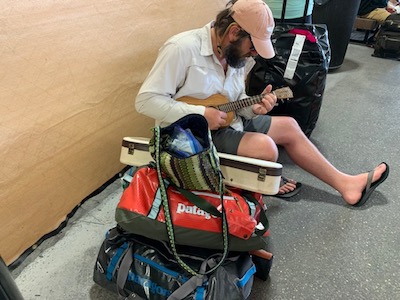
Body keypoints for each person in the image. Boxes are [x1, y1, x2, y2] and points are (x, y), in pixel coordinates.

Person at [135, 0, 389, 206]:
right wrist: (200, 113)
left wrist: (252, 107)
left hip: (225, 123)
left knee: (289, 125)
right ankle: (246, 187)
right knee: (267, 149)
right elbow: (146, 101)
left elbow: (233, 102)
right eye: (253, 47)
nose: (254, 54)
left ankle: (346, 184)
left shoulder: (234, 53)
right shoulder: (182, 48)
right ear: (235, 32)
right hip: (190, 136)